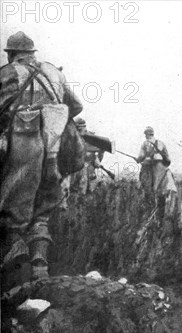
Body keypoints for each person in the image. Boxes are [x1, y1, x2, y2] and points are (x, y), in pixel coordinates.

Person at [0, 31, 84, 283]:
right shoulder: (53, 72)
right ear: (33, 53)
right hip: (56, 148)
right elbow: (76, 106)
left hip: (23, 146)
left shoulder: (6, 72)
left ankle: (15, 274)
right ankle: (39, 268)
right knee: (42, 211)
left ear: (11, 54)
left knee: (11, 212)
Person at [136, 127, 177, 218]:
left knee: (146, 187)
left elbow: (141, 156)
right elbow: (167, 157)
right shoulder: (161, 143)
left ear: (146, 134)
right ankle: (161, 214)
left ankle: (149, 211)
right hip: (162, 169)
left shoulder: (145, 143)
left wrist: (138, 160)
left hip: (150, 169)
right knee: (162, 193)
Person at [69, 118, 104, 194]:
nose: (81, 131)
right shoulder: (72, 139)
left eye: (83, 128)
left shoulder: (92, 138)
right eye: (79, 129)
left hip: (90, 174)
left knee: (90, 195)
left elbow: (97, 159)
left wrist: (99, 155)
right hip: (76, 174)